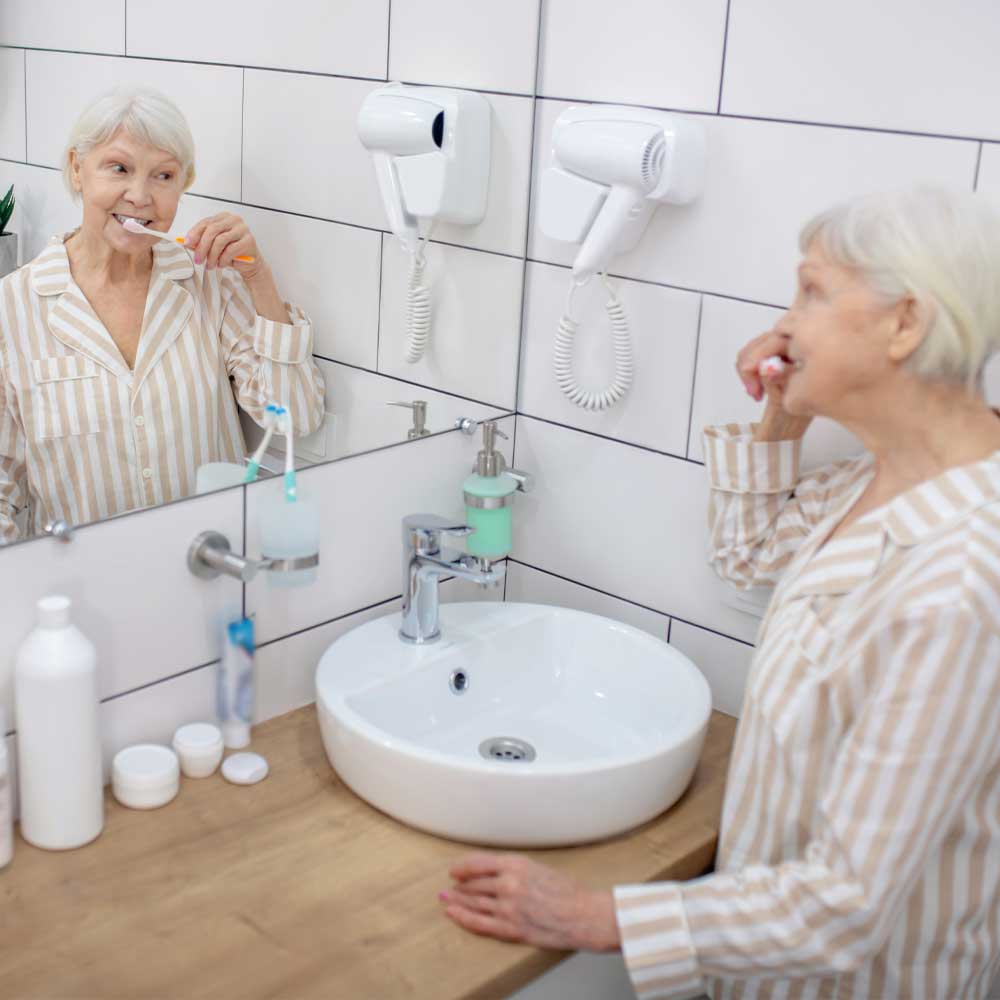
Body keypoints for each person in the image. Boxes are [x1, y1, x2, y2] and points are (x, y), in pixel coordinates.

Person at [440, 187, 1000, 999]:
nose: (784, 325)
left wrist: (599, 918)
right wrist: (787, 406)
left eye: (810, 292)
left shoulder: (964, 580)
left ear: (905, 325)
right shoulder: (876, 486)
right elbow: (748, 560)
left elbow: (844, 907)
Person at [0, 87, 325, 541]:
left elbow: (295, 418)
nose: (140, 196)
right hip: (82, 589)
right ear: (77, 169)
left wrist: (259, 279)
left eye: (164, 176)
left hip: (210, 571)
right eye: (119, 168)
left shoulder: (208, 283)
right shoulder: (13, 309)